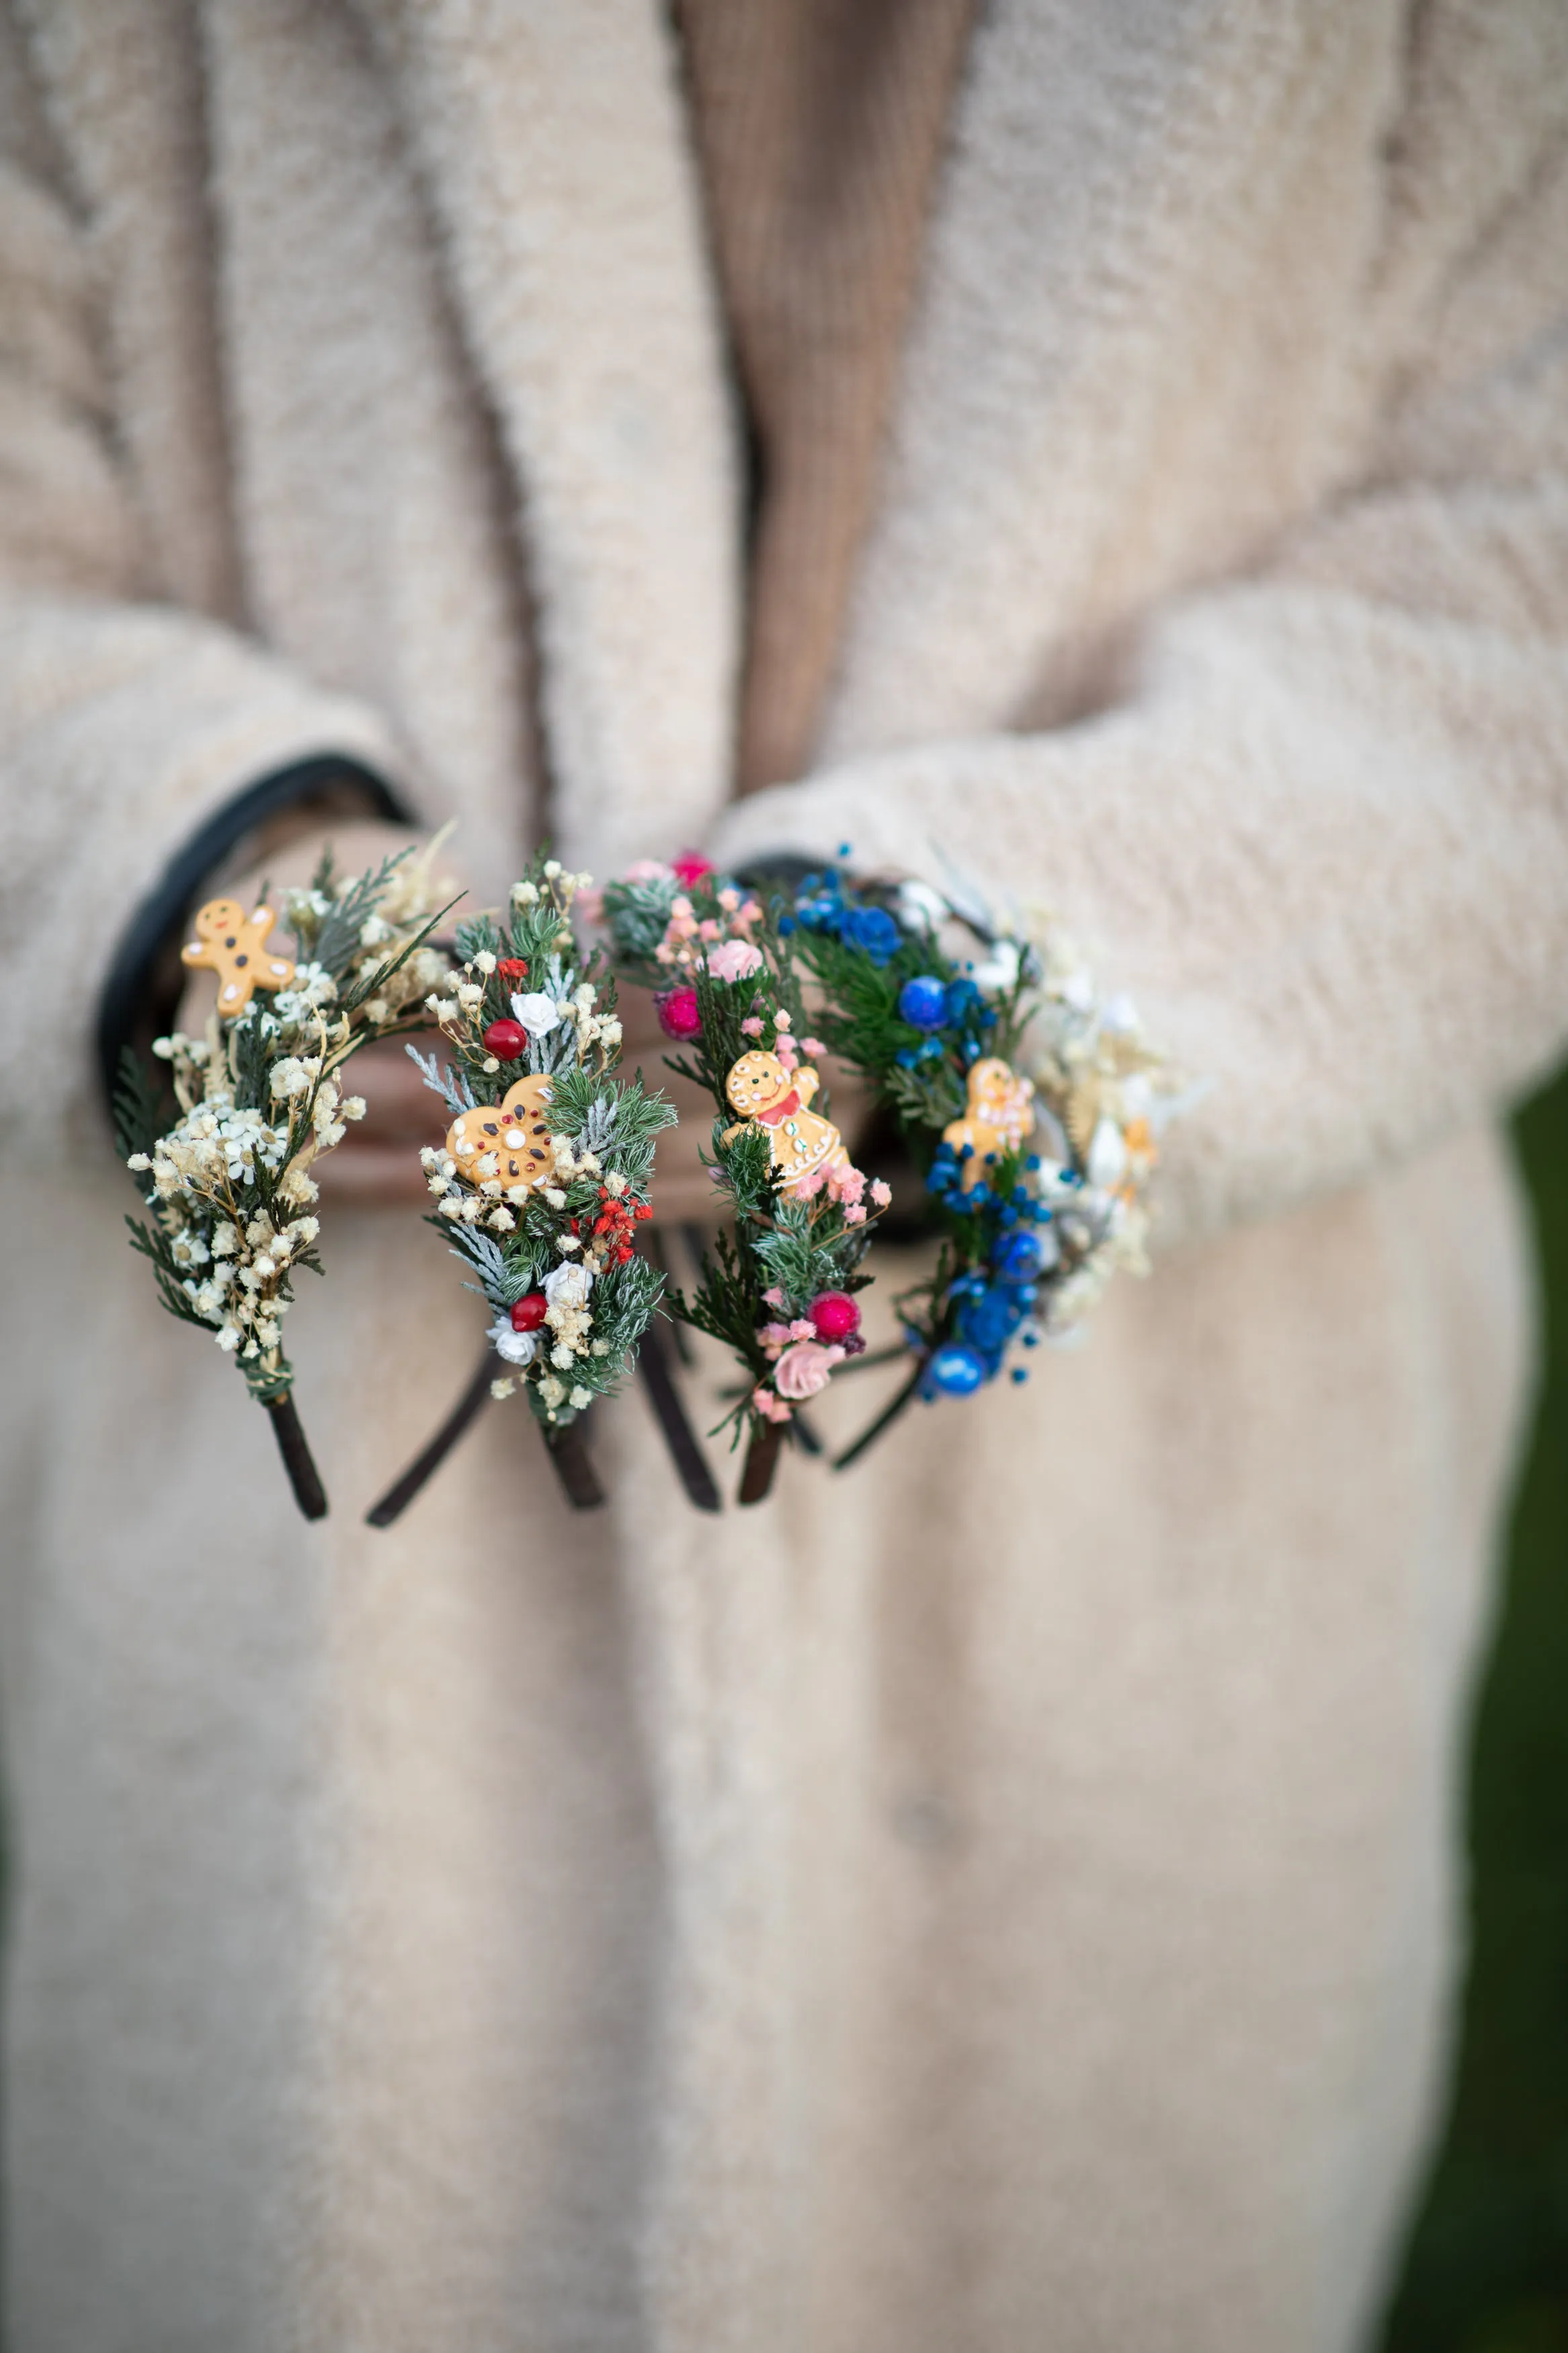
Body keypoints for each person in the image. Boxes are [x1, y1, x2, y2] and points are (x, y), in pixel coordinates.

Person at [1, 3, 1564, 2347]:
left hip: (1148, 1536)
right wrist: (223, 886)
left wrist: (952, 996)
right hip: (310, 1566)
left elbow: (1511, 595)